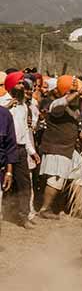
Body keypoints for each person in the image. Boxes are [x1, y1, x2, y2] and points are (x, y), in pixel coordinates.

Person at [38, 75, 82, 219]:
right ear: (68, 92)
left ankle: (77, 207)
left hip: (69, 149)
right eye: (76, 93)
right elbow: (60, 104)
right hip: (56, 149)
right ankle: (44, 209)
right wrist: (76, 92)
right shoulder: (56, 105)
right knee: (56, 180)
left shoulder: (73, 108)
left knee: (80, 175)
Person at [3, 71, 40, 229]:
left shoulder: (24, 106)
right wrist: (5, 107)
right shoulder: (2, 101)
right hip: (3, 149)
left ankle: (23, 216)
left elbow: (25, 130)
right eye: (18, 83)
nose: (21, 86)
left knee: (25, 184)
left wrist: (32, 151)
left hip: (20, 149)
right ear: (11, 85)